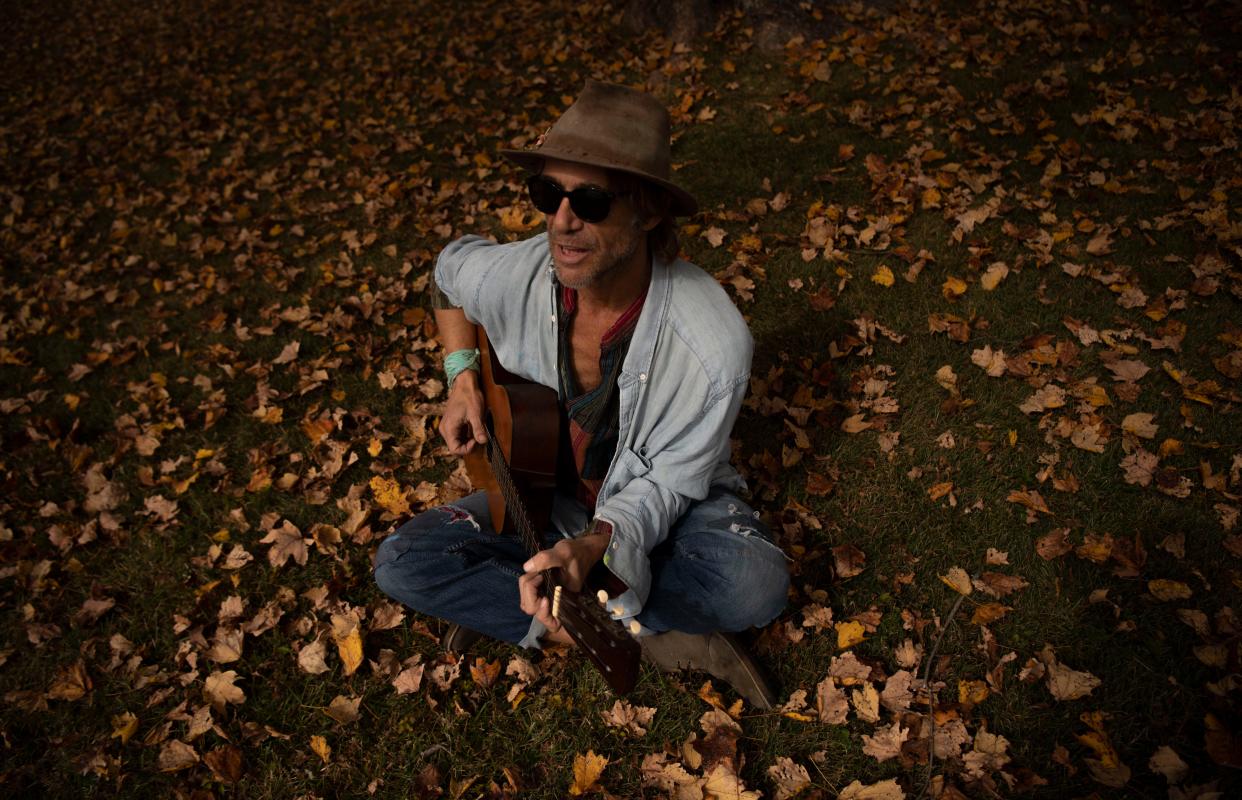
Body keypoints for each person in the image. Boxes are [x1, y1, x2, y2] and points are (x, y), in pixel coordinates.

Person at [372, 79, 789, 708]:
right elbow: (448, 270)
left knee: (751, 584)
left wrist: (597, 545)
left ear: (648, 212)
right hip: (545, 495)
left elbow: (671, 485)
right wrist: (462, 379)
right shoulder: (518, 272)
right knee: (401, 560)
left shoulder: (713, 345)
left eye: (591, 200)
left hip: (664, 506)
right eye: (548, 193)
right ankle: (643, 631)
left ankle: (545, 606)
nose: (561, 221)